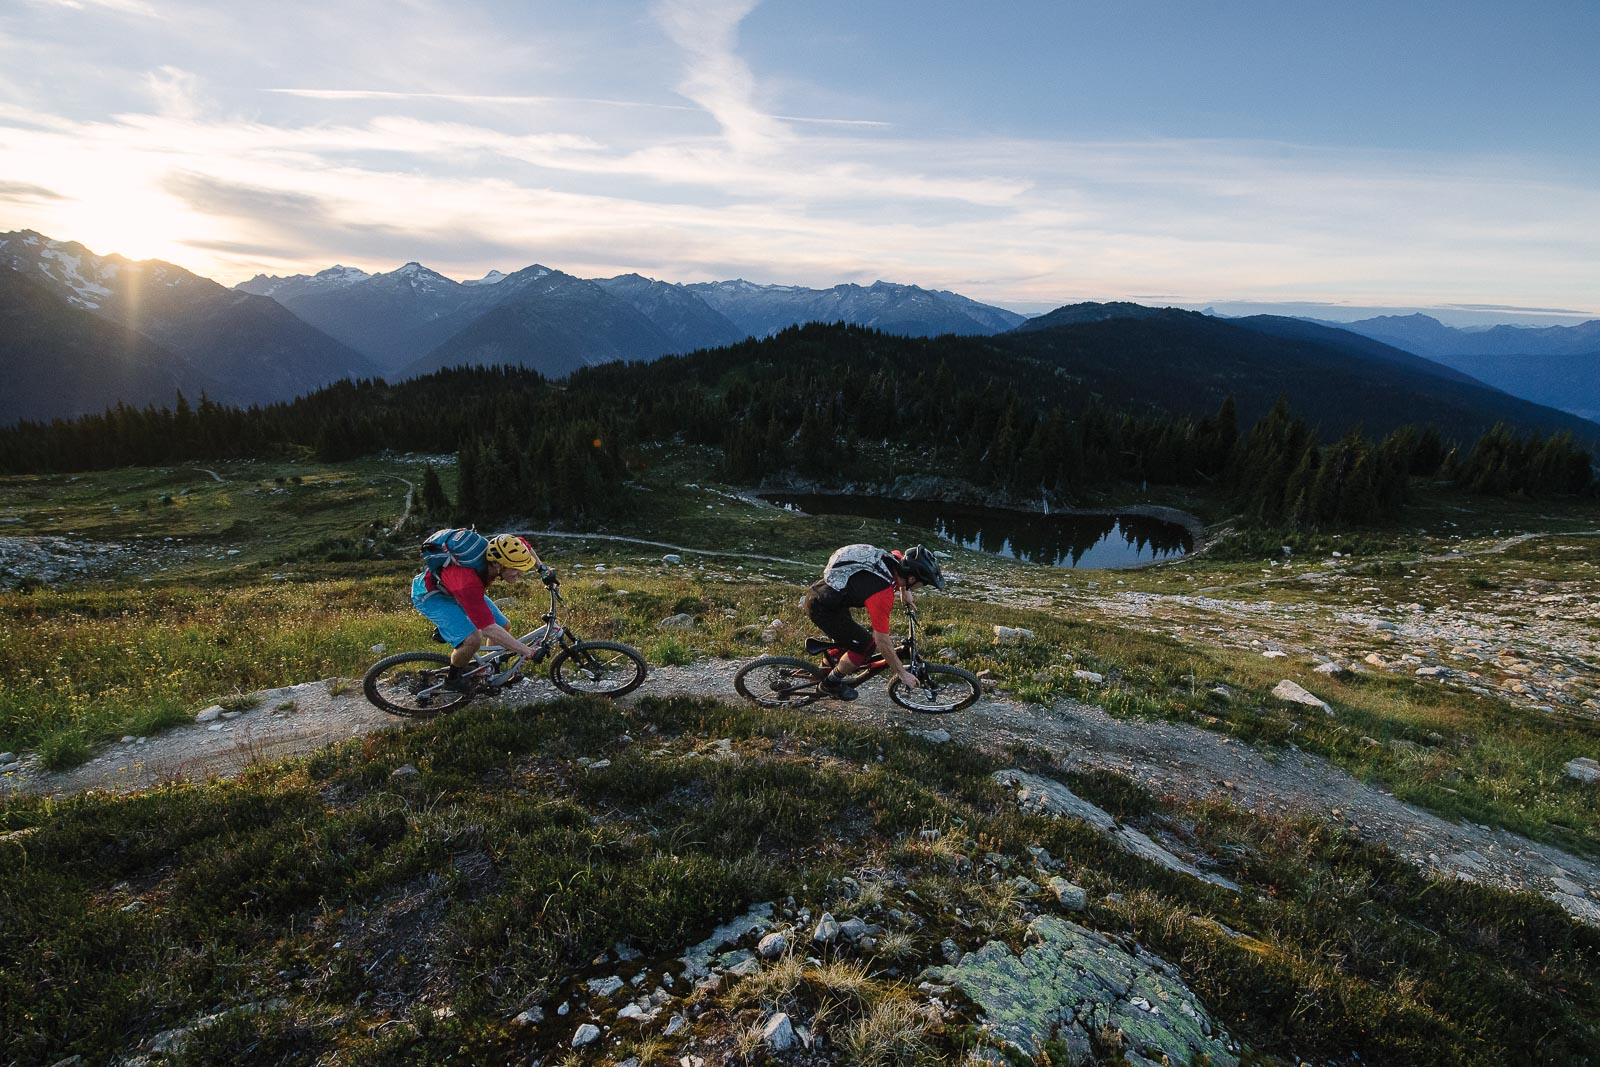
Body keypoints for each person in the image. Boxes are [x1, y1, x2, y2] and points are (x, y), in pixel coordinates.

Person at [410, 532, 552, 691]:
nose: (521, 574)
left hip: (456, 590)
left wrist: (543, 569)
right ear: (498, 565)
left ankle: (487, 670)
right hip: (431, 595)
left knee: (503, 625)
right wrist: (528, 652)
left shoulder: (501, 551)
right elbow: (488, 628)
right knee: (473, 638)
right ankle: (453, 680)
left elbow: (523, 545)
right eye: (516, 569)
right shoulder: (468, 582)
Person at [803, 544, 945, 700]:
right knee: (866, 646)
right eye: (922, 583)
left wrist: (905, 591)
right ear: (912, 579)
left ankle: (824, 671)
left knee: (851, 638)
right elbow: (882, 641)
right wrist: (901, 673)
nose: (921, 587)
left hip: (826, 594)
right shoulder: (882, 595)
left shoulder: (895, 561)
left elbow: (900, 563)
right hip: (822, 608)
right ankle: (830, 684)